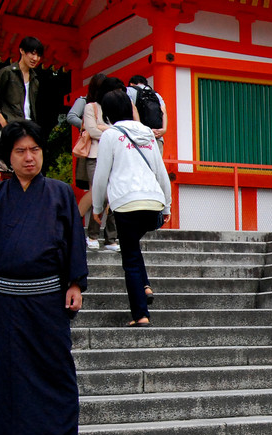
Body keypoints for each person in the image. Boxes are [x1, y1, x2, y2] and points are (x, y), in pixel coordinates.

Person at [0, 120, 92, 435]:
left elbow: (74, 241)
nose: (29, 158)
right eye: (21, 151)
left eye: (35, 150)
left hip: (49, 295)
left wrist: (75, 282)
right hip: (9, 297)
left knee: (57, 363)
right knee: (15, 368)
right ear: (8, 158)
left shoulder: (59, 193)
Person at [91, 90, 171, 327]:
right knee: (134, 250)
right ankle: (145, 287)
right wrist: (166, 205)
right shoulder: (147, 133)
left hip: (126, 204)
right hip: (152, 202)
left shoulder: (110, 136)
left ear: (107, 114)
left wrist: (98, 207)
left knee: (130, 260)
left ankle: (140, 315)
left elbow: (101, 175)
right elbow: (161, 172)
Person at [82, 73, 119, 252]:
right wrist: (109, 130)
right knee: (100, 195)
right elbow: (92, 131)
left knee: (114, 196)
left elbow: (119, 129)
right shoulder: (91, 107)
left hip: (113, 156)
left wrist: (104, 128)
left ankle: (111, 238)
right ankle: (92, 235)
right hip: (95, 155)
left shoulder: (113, 107)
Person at [0, 37, 43, 131]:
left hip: (29, 126)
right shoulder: (7, 72)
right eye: (32, 53)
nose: (35, 58)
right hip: (11, 126)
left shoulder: (35, 80)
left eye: (38, 55)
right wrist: (4, 124)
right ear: (22, 50)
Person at [126, 75, 167, 156]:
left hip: (138, 137)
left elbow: (133, 108)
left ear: (131, 84)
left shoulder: (129, 90)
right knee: (156, 167)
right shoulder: (155, 94)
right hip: (157, 136)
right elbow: (164, 111)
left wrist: (141, 129)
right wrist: (163, 130)